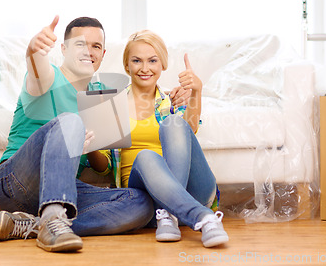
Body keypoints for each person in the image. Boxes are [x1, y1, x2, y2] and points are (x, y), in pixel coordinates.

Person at [0, 16, 155, 253]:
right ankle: (52, 219)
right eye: (80, 44)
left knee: (140, 203)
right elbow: (37, 70)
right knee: (71, 121)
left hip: (64, 188)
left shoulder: (100, 95)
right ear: (64, 49)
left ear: (103, 53)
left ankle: (36, 225)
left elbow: (103, 168)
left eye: (96, 46)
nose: (88, 51)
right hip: (16, 183)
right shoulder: (49, 78)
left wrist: (90, 146)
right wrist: (34, 51)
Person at [89, 30, 229, 248]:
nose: (145, 68)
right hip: (145, 200)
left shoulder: (173, 100)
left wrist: (196, 91)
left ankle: (171, 213)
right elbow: (103, 167)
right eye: (137, 61)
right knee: (146, 157)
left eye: (152, 61)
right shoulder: (111, 107)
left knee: (173, 124)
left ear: (162, 64)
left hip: (193, 193)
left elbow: (190, 130)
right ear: (127, 65)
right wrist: (89, 145)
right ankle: (201, 217)